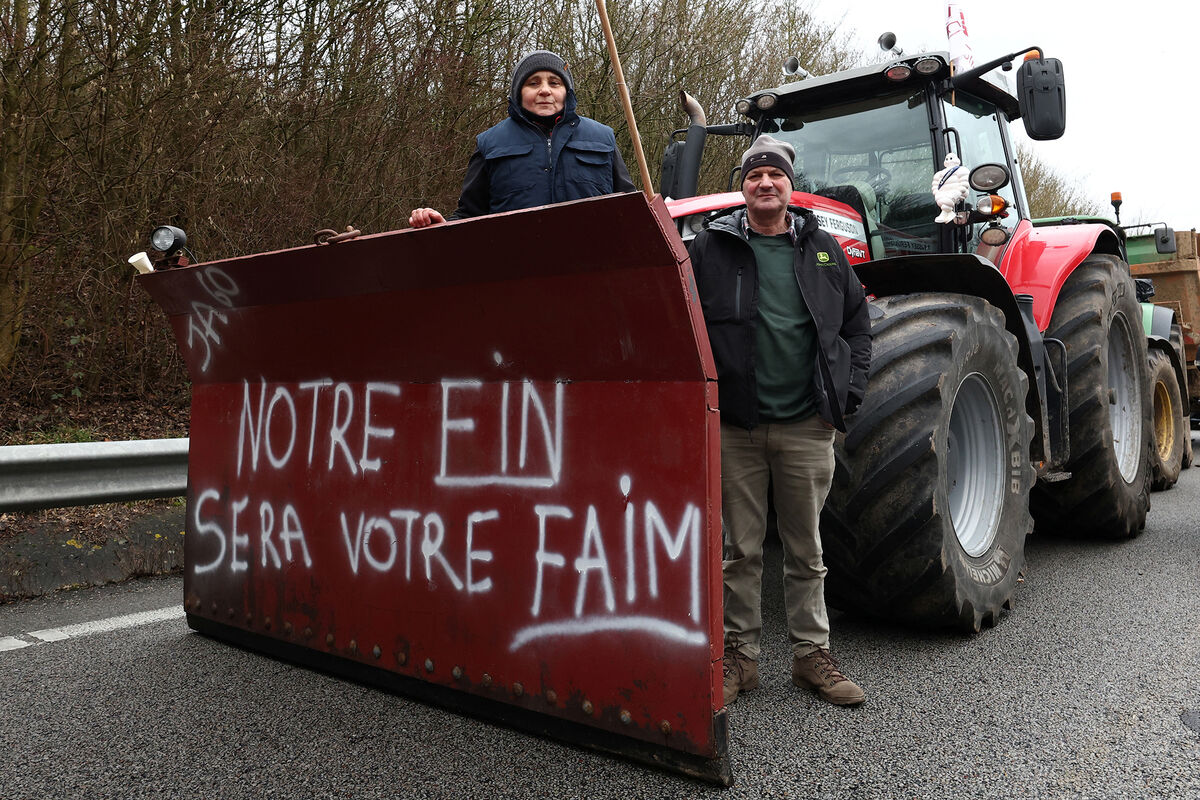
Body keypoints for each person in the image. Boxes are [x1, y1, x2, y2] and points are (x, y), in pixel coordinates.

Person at [686, 135, 872, 707]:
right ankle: (741, 657)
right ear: (742, 187)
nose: (765, 183)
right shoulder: (710, 250)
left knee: (805, 550)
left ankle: (810, 656)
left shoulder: (822, 250)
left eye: (775, 175)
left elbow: (857, 326)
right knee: (739, 551)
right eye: (753, 176)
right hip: (737, 427)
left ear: (791, 186)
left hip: (805, 426)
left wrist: (850, 391)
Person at [409, 50, 635, 227]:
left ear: (567, 91)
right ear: (519, 93)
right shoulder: (490, 143)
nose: (545, 90)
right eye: (533, 83)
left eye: (554, 83)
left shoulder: (603, 137)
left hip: (597, 271)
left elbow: (631, 210)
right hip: (517, 274)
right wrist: (442, 225)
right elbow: (470, 216)